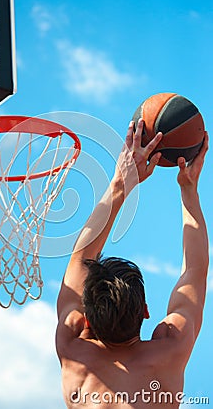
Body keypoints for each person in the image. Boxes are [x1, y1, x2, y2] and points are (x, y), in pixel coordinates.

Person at [56, 118, 209, 408]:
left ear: (86, 318)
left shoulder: (73, 350)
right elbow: (195, 271)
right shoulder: (169, 351)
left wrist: (120, 184)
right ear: (146, 311)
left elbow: (81, 258)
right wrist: (189, 189)